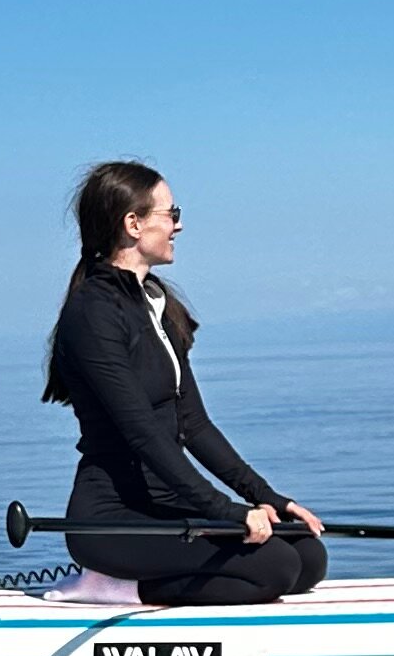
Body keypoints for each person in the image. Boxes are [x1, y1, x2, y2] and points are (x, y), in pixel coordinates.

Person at [42, 162, 329, 607]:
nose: (179, 225)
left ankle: (139, 578)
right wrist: (225, 511)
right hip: (113, 519)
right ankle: (111, 585)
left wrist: (267, 498)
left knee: (306, 556)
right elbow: (142, 433)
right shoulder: (93, 313)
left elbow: (193, 424)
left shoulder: (157, 304)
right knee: (274, 567)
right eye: (171, 214)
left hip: (165, 505)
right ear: (133, 224)